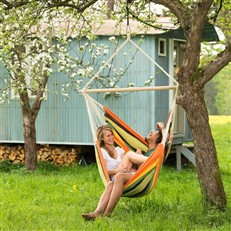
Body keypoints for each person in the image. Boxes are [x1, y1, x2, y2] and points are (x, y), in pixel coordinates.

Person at [82, 122, 165, 221]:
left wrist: (163, 128)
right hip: (119, 177)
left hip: (133, 177)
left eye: (112, 134)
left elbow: (128, 166)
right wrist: (117, 170)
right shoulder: (102, 152)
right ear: (102, 138)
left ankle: (107, 214)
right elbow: (104, 171)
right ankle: (96, 213)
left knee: (127, 158)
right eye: (108, 136)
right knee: (110, 184)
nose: (112, 137)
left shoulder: (120, 150)